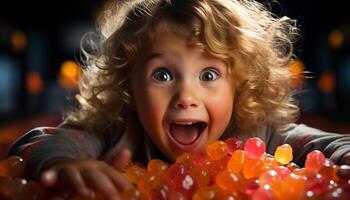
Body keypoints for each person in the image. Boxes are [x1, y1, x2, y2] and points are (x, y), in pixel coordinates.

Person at [8, 0, 350, 199]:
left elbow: (327, 143)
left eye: (209, 76)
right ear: (130, 86)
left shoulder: (258, 134)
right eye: (162, 75)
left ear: (239, 85)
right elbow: (40, 141)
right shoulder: (115, 132)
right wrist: (60, 164)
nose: (186, 97)